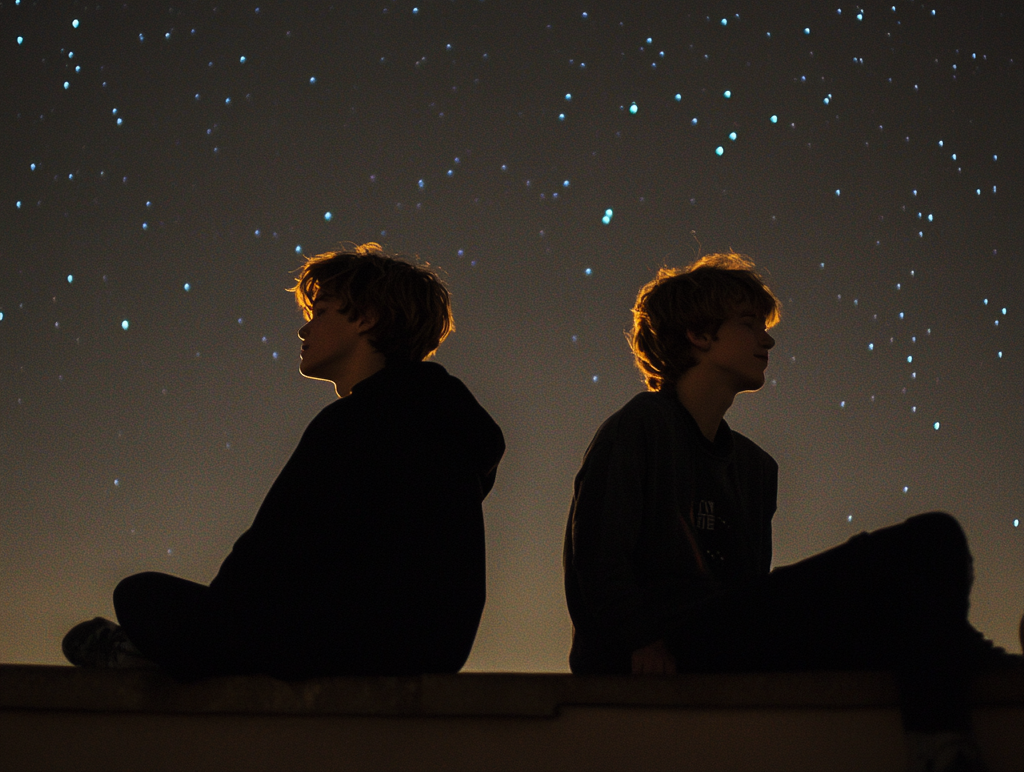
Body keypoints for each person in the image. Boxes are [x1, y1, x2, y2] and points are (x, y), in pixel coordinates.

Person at [563, 252, 1020, 772]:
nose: (767, 339)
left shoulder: (755, 469)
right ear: (699, 334)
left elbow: (748, 588)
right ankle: (942, 738)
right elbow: (595, 556)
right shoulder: (639, 427)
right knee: (931, 539)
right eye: (748, 325)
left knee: (896, 611)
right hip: (666, 646)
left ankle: (968, 674)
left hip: (725, 635)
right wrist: (640, 637)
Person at [63, 244, 505, 679]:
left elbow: (270, 548)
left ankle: (154, 659)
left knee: (140, 595)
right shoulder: (448, 426)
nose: (304, 330)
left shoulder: (357, 421)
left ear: (366, 319)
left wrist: (214, 624)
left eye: (322, 312)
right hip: (432, 649)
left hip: (350, 645)